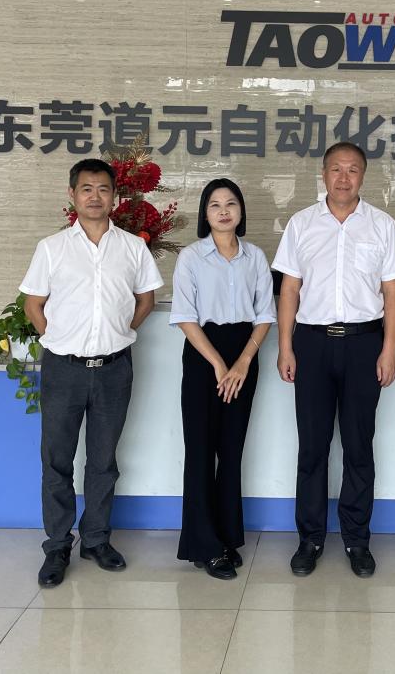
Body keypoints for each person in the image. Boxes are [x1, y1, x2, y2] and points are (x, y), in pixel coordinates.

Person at [20, 158, 163, 588]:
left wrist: (119, 333)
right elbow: (33, 304)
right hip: (63, 369)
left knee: (103, 461)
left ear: (115, 196)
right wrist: (59, 340)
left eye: (103, 189)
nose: (95, 196)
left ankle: (97, 539)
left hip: (114, 369)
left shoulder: (132, 247)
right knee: (57, 460)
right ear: (72, 195)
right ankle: (57, 545)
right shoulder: (52, 248)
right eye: (86, 189)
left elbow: (146, 300)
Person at [272, 141, 395, 578]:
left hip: (364, 344)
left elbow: (392, 294)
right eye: (336, 169)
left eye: (352, 170)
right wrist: (286, 346)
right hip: (311, 344)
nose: (343, 178)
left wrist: (390, 349)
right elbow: (289, 289)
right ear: (324, 174)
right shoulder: (301, 224)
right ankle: (310, 539)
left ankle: (357, 539)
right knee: (312, 447)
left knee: (358, 446)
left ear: (363, 176)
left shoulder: (382, 225)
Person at [170, 179, 274, 580]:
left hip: (244, 352)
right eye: (215, 205)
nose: (224, 210)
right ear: (205, 213)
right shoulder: (192, 257)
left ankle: (227, 537)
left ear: (241, 210)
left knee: (231, 451)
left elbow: (264, 315)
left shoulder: (255, 257)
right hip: (203, 356)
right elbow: (185, 316)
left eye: (231, 203)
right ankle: (204, 545)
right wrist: (217, 363)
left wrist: (243, 361)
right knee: (200, 450)